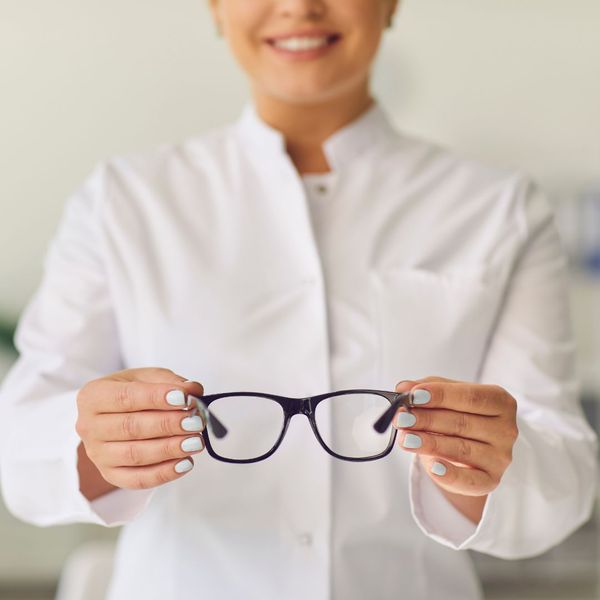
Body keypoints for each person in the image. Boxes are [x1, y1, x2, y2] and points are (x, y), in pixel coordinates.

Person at [0, 1, 597, 598]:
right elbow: (21, 445)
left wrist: (487, 466)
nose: (298, 6)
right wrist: (94, 443)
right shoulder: (122, 202)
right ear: (215, 7)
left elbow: (564, 479)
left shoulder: (502, 211)